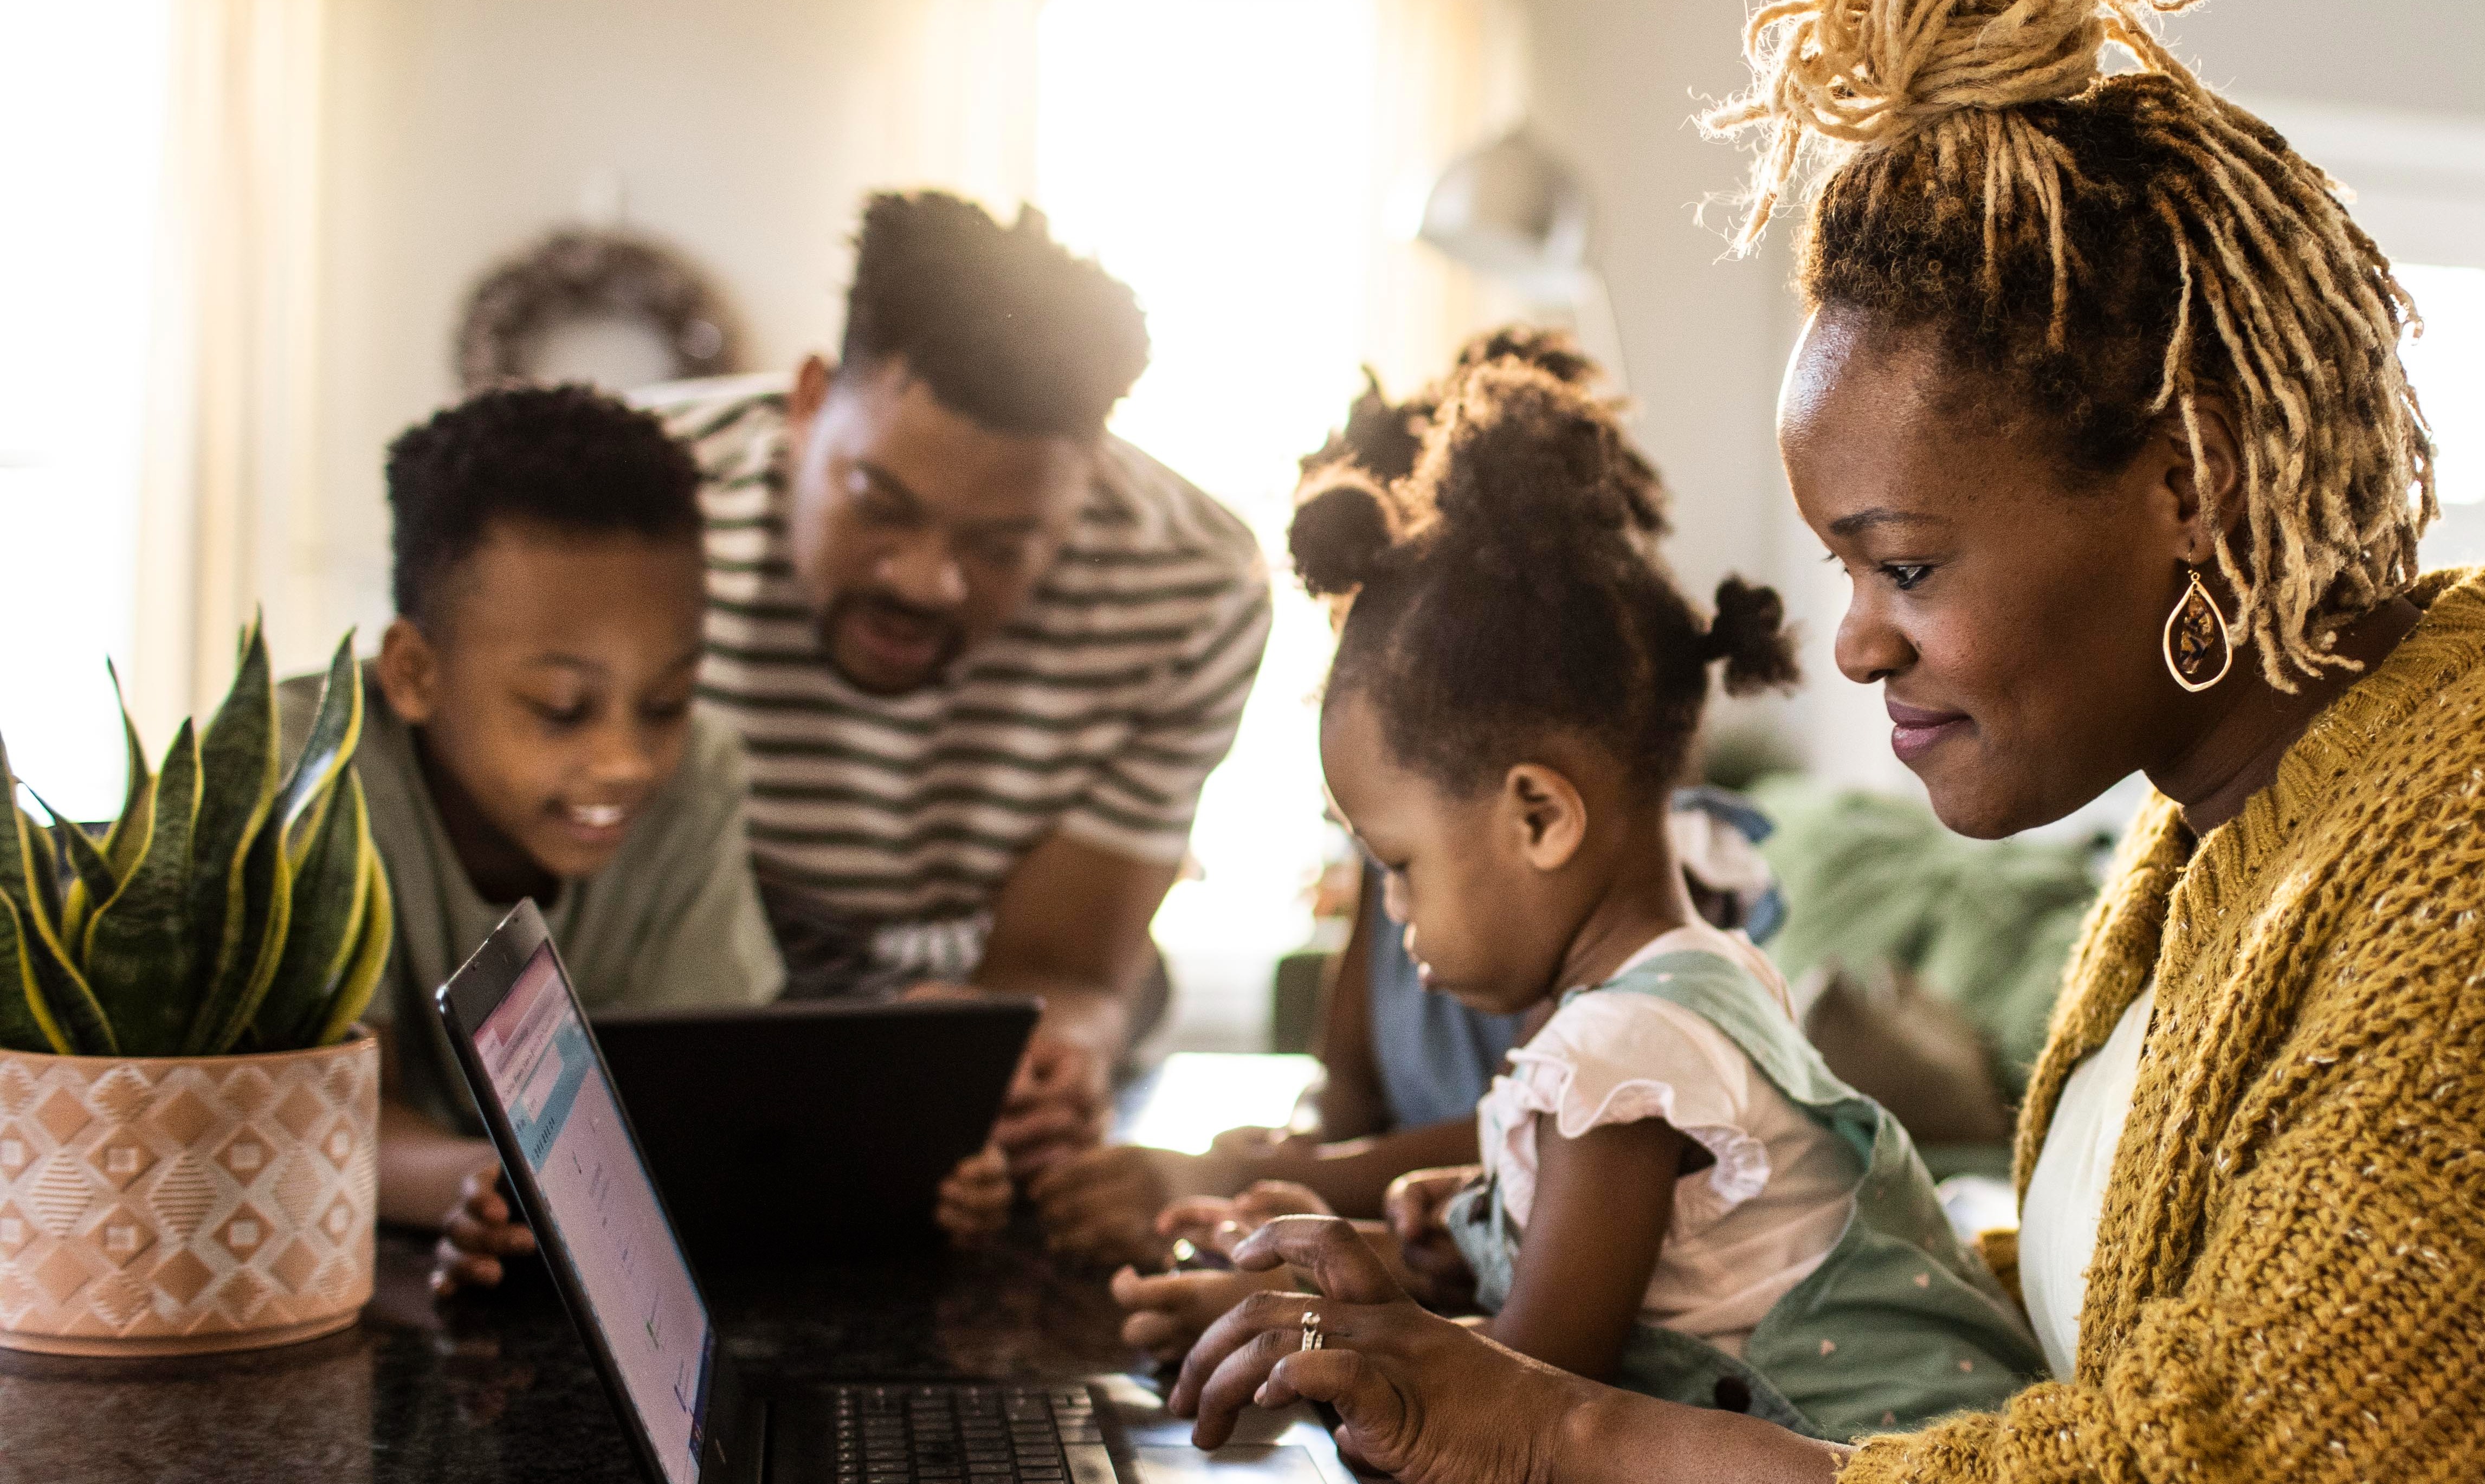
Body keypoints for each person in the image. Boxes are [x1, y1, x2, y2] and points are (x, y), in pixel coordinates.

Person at [1154, 2, 2485, 1484]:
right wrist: (1587, 1262)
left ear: (2190, 479)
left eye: (1904, 563)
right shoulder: (2211, 834)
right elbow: (2159, 1323)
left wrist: (1558, 1430)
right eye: (1847, 569)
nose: (1854, 642)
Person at [1123, 350, 2041, 1440]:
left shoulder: (1623, 1049)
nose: (1392, 909)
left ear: (1539, 817)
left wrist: (1301, 1326)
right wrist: (1429, 1232)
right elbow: (1655, 1278)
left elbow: (1529, 1385)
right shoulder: (1687, 984)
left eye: (1399, 864)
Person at [1027, 333, 1787, 1262]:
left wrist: (1236, 1182)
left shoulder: (1651, 915)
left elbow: (1545, 1142)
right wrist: (1288, 1163)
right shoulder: (1405, 853)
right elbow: (1348, 1094)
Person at [638, 192, 1273, 1234]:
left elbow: (1064, 966)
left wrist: (1037, 1053)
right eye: (879, 504)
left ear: (1085, 484)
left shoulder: (1192, 585)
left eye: (1001, 545)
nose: (928, 581)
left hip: (967, 996)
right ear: (807, 402)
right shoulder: (639, 502)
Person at [302, 385, 782, 1293]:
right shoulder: (316, 772)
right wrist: (485, 1185)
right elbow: (321, 1116)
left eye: (667, 702)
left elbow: (702, 1099)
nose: (627, 761)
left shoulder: (701, 775)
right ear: (413, 672)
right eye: (562, 708)